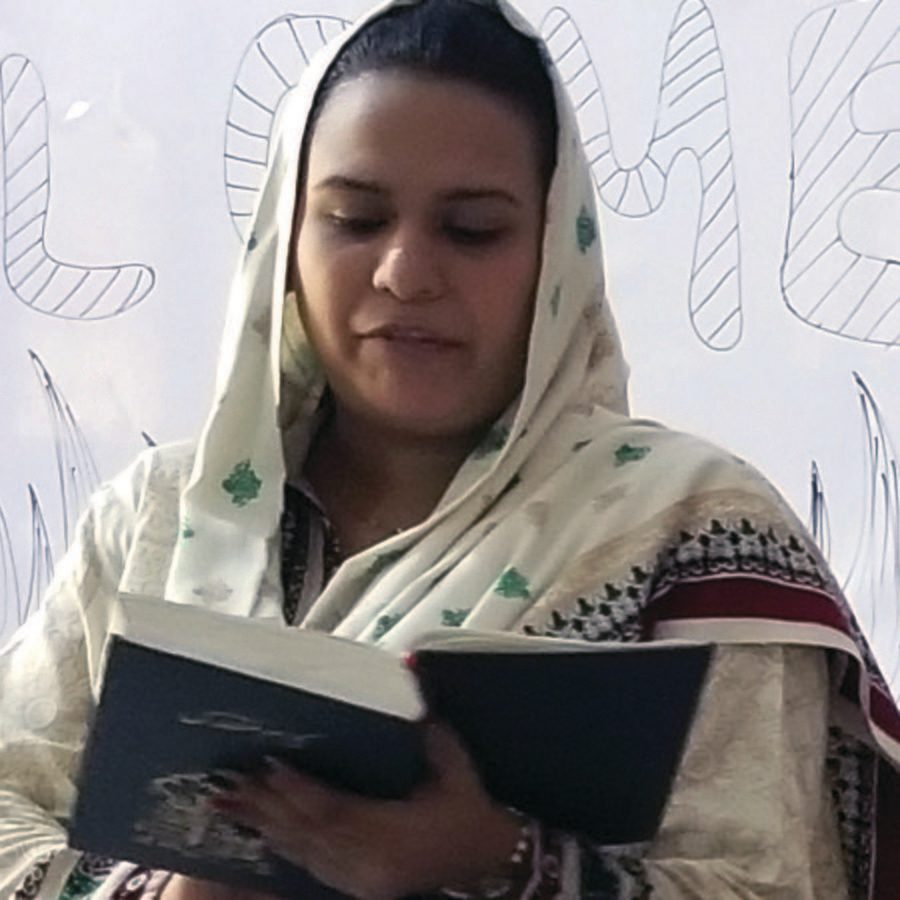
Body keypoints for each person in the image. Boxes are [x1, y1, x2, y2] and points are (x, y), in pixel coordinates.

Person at [1, 0, 898, 897]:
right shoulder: (159, 517)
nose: (405, 272)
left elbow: (778, 882)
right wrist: (153, 893)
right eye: (354, 219)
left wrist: (503, 863)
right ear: (286, 240)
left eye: (472, 230)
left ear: (558, 254)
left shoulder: (691, 530)